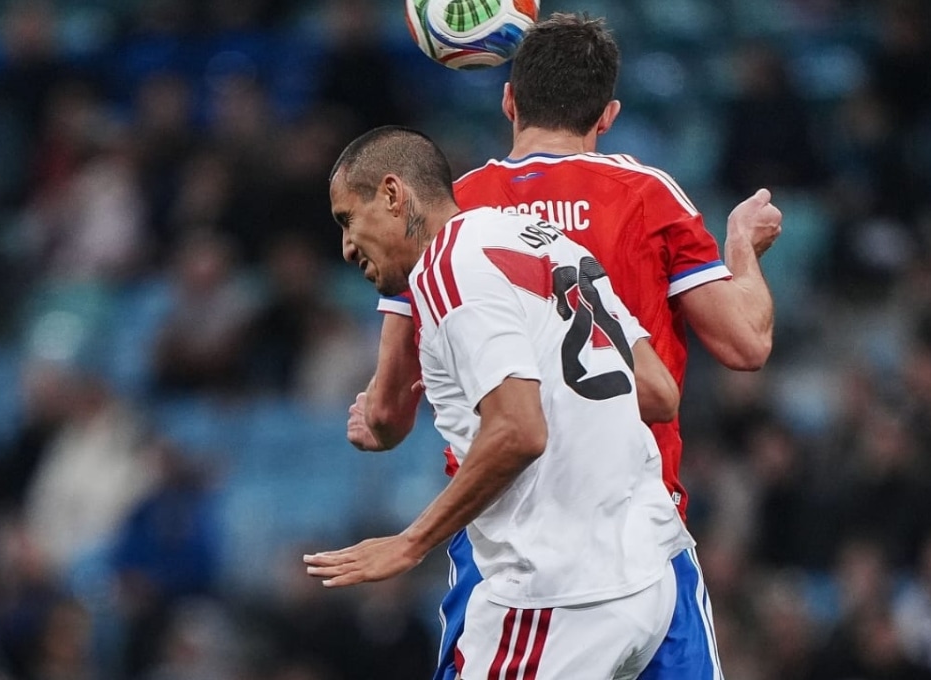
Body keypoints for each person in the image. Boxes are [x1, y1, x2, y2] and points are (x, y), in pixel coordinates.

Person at [347, 13, 780, 679]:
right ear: (607, 116)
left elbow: (390, 413)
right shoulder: (647, 195)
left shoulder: (452, 213)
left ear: (508, 100)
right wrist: (742, 249)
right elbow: (746, 345)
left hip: (519, 547)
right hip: (645, 529)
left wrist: (372, 426)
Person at [305, 126, 693, 679]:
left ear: (392, 195)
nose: (346, 246)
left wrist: (411, 543)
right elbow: (658, 392)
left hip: (560, 593)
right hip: (645, 582)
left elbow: (519, 431)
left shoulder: (444, 267)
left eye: (348, 219)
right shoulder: (545, 241)